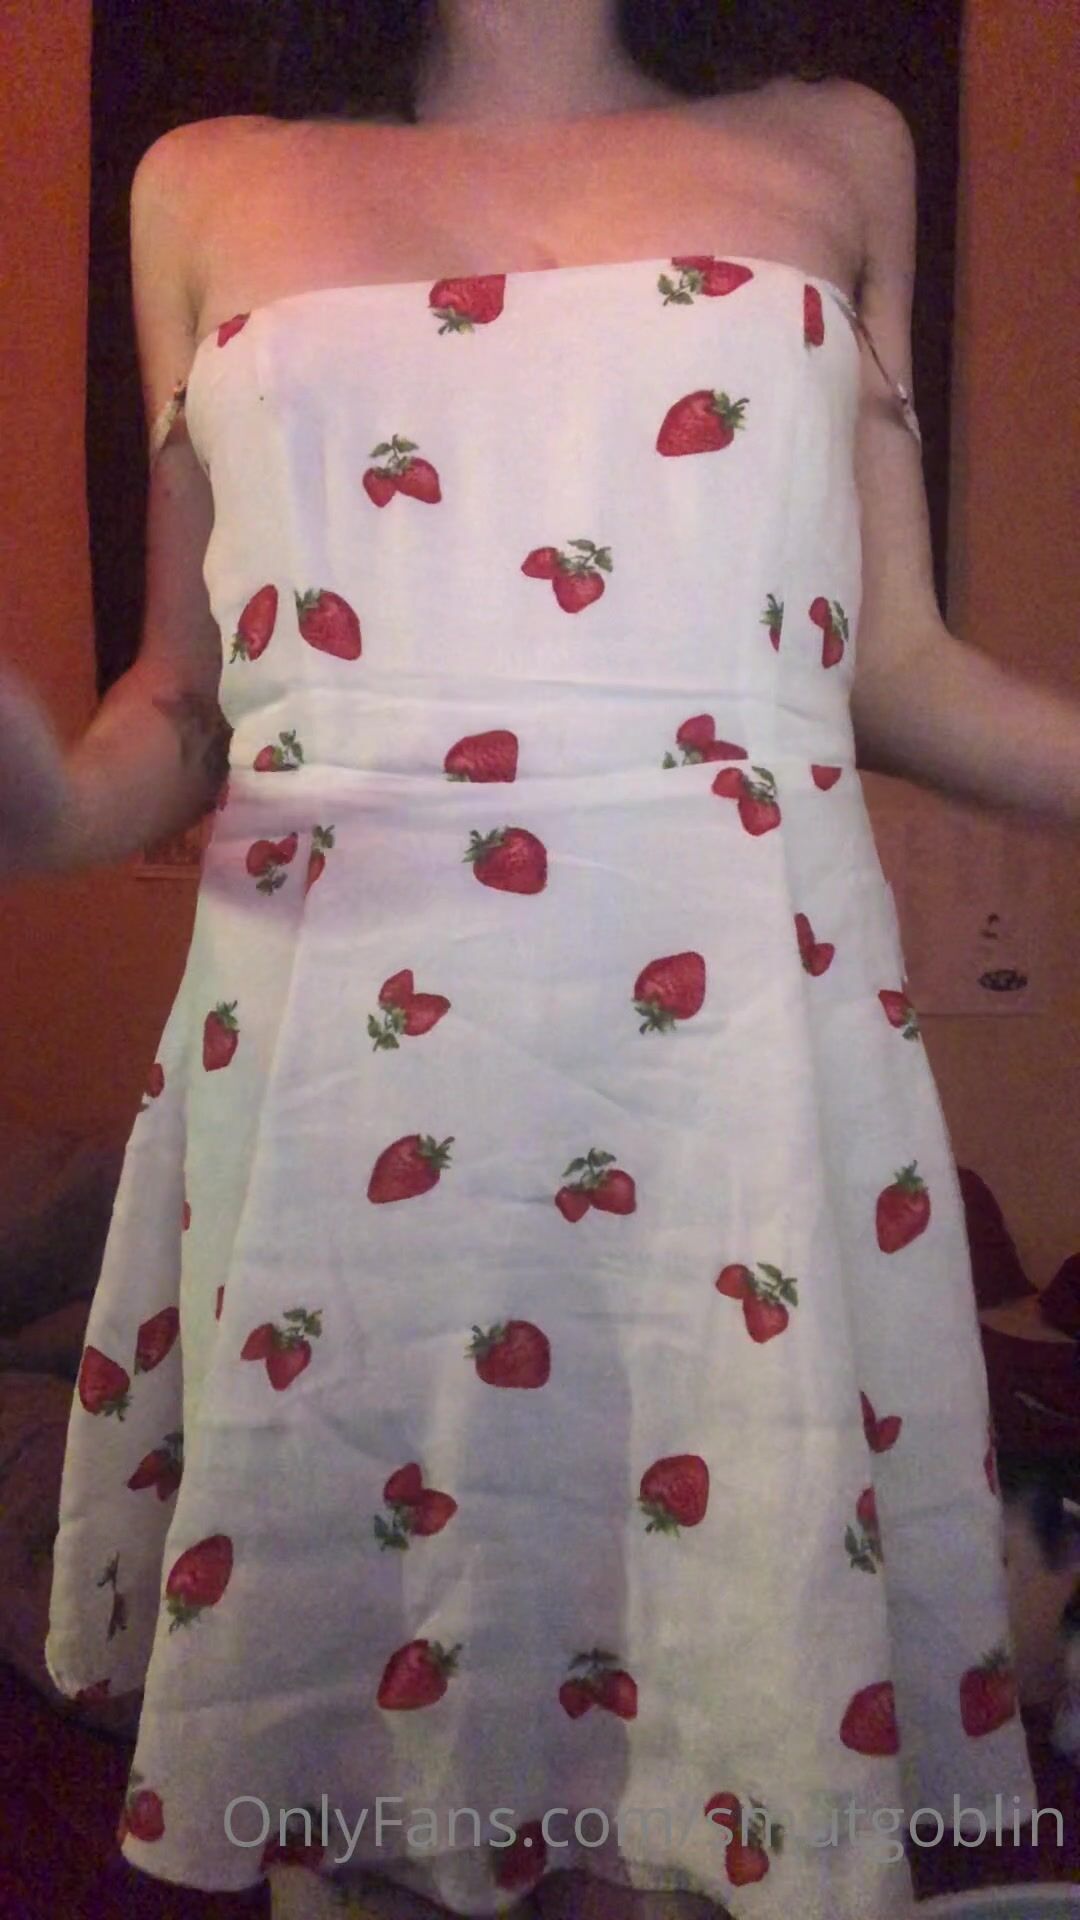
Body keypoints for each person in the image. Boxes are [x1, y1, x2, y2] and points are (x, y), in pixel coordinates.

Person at [3, 3, 1077, 1917]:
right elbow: (179, 699)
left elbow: (895, 663)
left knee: (719, 1734)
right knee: (357, 1773)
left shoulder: (842, 142)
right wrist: (46, 808)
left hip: (734, 1051)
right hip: (343, 1065)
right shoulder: (198, 183)